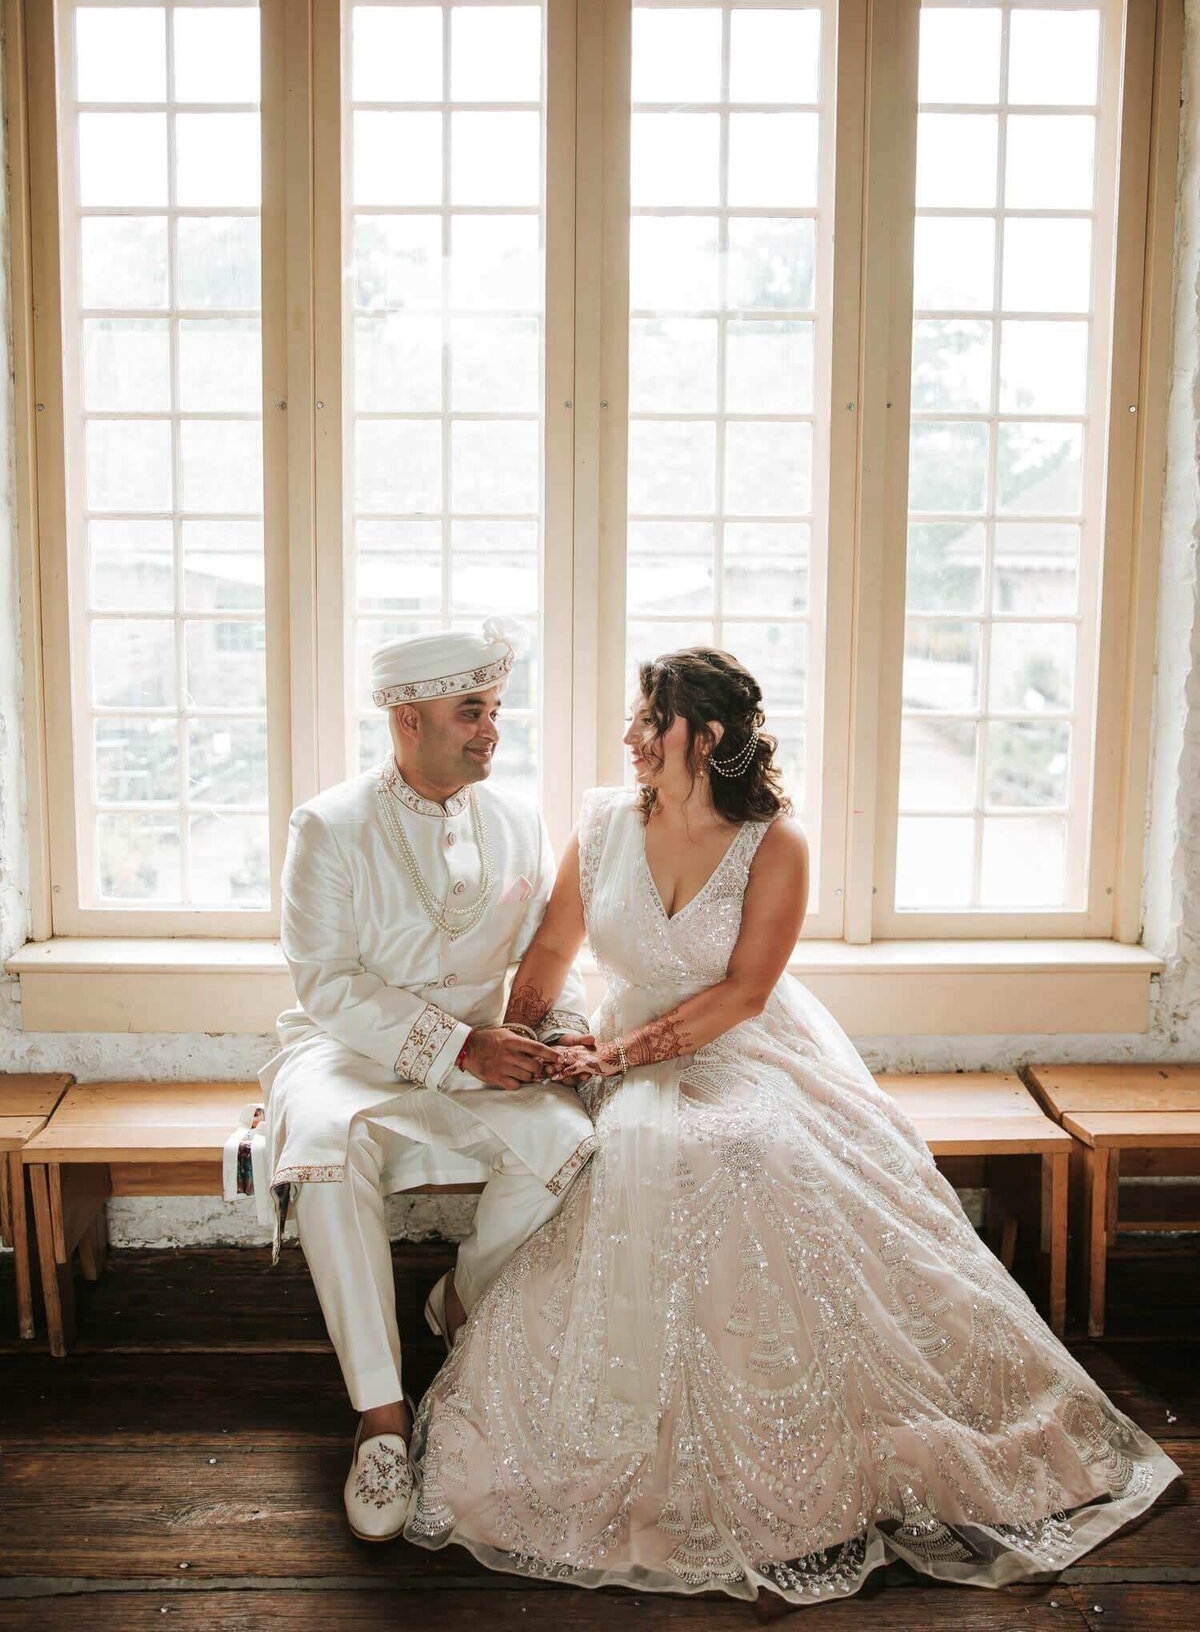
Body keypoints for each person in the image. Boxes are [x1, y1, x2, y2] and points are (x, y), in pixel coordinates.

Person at [406, 645, 1179, 1605]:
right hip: (614, 1044)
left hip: (740, 1048)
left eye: (651, 722)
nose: (630, 737)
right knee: (641, 1151)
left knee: (750, 1151)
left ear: (710, 736)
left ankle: (802, 1446)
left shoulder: (776, 841)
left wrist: (620, 1060)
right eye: (635, 720)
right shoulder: (604, 823)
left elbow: (744, 992)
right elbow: (555, 948)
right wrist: (528, 1040)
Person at [259, 619, 597, 1542]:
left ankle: (459, 1300)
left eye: (495, 710)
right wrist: (455, 1046)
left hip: (486, 1047)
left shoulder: (520, 818)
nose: (492, 730)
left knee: (571, 1143)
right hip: (350, 1052)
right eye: (472, 712)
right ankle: (380, 1415)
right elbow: (324, 982)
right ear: (407, 720)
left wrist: (555, 1033)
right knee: (324, 1148)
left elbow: (540, 956)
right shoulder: (327, 826)